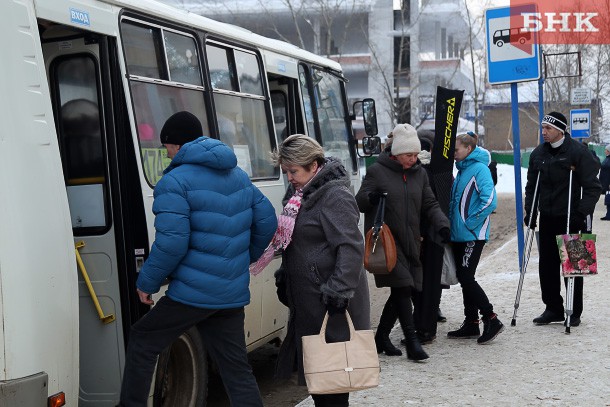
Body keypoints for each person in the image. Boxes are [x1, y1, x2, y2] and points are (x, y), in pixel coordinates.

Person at [119, 111, 277, 407]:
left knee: (143, 340)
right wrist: (242, 258)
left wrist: (147, 282)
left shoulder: (173, 182)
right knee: (236, 369)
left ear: (176, 145)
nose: (165, 152)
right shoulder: (239, 176)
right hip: (229, 294)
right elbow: (268, 222)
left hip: (192, 294)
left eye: (166, 146)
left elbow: (172, 243)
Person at [268, 134, 370, 407]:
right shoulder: (299, 193)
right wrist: (285, 275)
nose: (289, 177)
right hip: (309, 302)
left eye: (293, 171)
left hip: (330, 303)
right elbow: (294, 242)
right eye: (286, 171)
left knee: (332, 385)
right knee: (320, 382)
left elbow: (350, 247)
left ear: (314, 166)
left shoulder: (334, 195)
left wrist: (338, 291)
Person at [356, 123, 449, 361]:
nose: (414, 159)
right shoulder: (378, 172)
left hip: (411, 241)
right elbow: (359, 202)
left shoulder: (419, 174)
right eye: (409, 155)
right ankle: (413, 343)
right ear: (396, 153)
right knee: (403, 287)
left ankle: (381, 337)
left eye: (416, 154)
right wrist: (371, 197)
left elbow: (430, 204)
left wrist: (442, 224)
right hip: (387, 241)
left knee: (403, 288)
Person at [524, 112, 601, 327]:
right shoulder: (538, 153)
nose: (544, 132)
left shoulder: (578, 152)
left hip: (572, 216)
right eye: (542, 128)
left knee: (575, 265)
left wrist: (581, 212)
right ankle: (553, 308)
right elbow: (531, 186)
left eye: (548, 128)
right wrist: (530, 211)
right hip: (548, 216)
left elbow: (594, 188)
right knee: (547, 266)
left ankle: (574, 311)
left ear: (560, 130)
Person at [446, 131, 504, 344]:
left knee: (466, 276)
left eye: (456, 149)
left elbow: (490, 201)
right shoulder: (462, 170)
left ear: (468, 149)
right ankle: (471, 323)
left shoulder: (479, 169)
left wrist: (470, 223)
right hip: (459, 235)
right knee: (464, 277)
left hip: (472, 234)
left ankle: (491, 318)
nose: (453, 153)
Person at [411, 129, 447, 343]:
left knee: (419, 285)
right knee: (430, 285)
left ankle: (423, 328)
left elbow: (427, 205)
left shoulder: (419, 172)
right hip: (436, 234)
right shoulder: (440, 170)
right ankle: (426, 327)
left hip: (425, 234)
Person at [600, 144, 610, 220]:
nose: (605, 151)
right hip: (605, 182)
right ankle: (608, 214)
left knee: (608, 199)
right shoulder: (607, 158)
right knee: (607, 199)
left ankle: (609, 215)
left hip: (608, 183)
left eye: (606, 150)